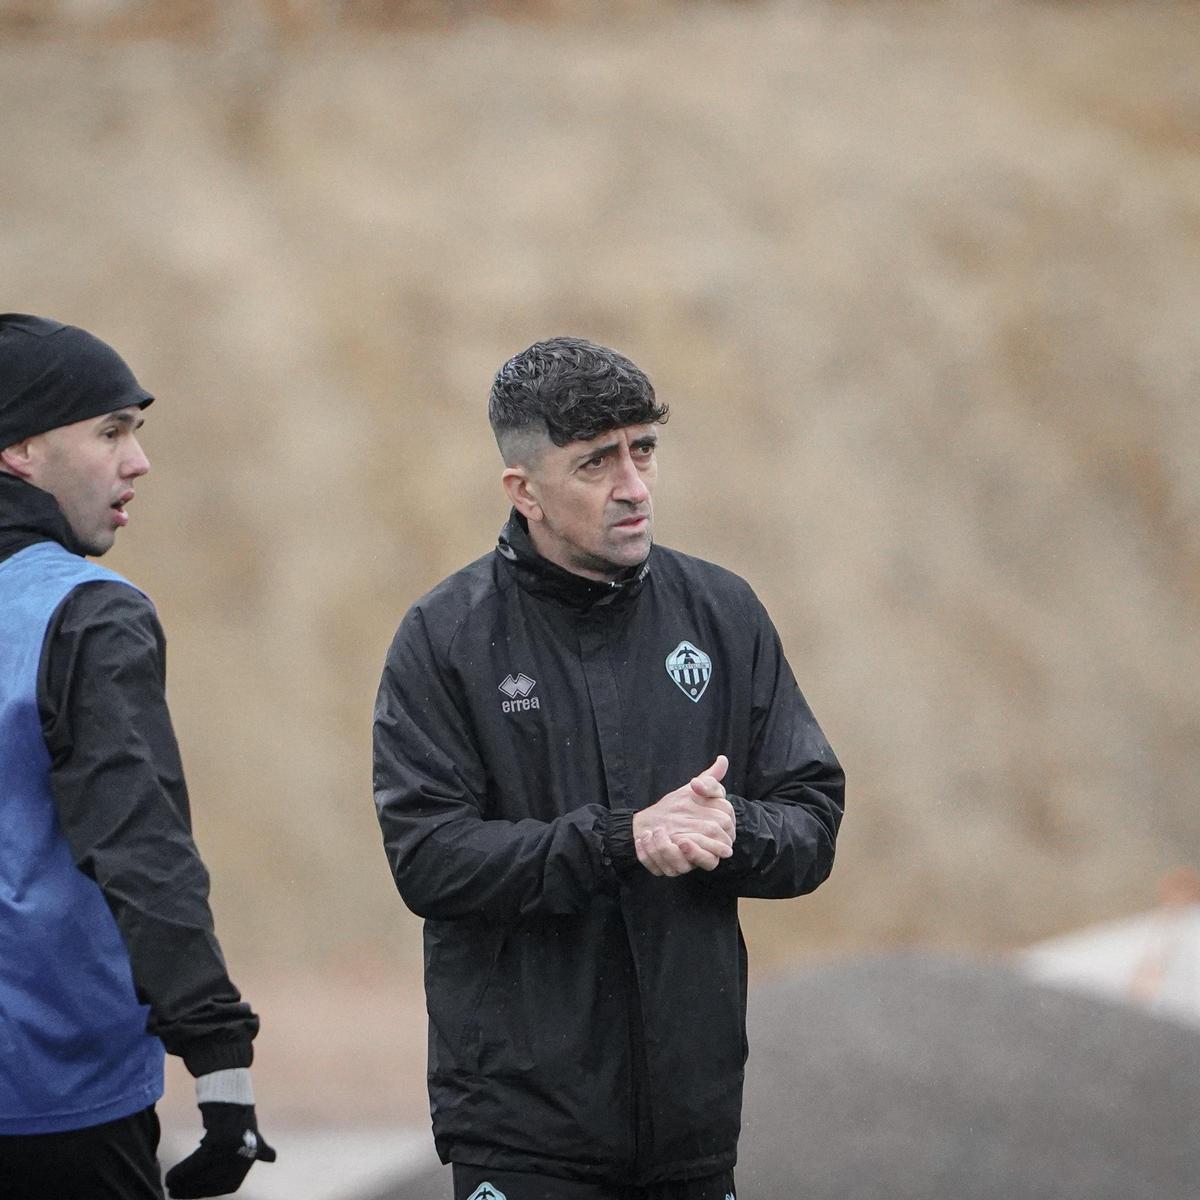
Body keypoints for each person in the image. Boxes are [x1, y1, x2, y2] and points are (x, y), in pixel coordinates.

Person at [373, 336, 844, 1200]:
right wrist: (620, 841)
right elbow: (430, 858)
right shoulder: (444, 638)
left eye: (644, 451)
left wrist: (733, 829)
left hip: (692, 1126)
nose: (634, 486)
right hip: (521, 1130)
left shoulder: (723, 612)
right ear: (525, 491)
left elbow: (812, 819)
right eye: (596, 463)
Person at [0, 314, 275, 1200]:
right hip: (52, 1095)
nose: (138, 461)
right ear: (20, 451)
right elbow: (140, 845)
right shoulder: (83, 612)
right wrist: (221, 1064)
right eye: (110, 431)